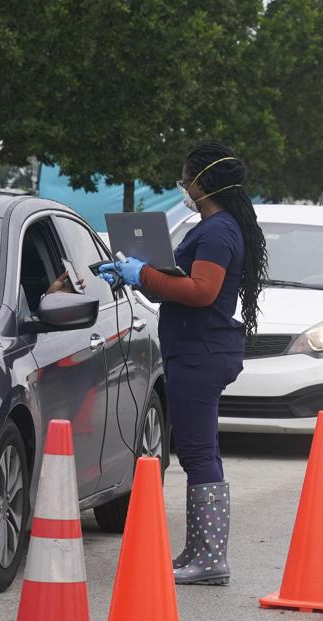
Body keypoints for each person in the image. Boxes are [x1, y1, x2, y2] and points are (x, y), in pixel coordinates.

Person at [100, 142, 268, 584]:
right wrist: (136, 275)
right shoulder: (215, 226)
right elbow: (181, 287)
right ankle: (199, 553)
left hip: (201, 352)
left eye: (185, 178)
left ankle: (210, 559)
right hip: (196, 348)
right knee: (202, 448)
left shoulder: (216, 231)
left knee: (196, 451)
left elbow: (201, 291)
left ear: (200, 181)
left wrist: (144, 274)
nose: (183, 187)